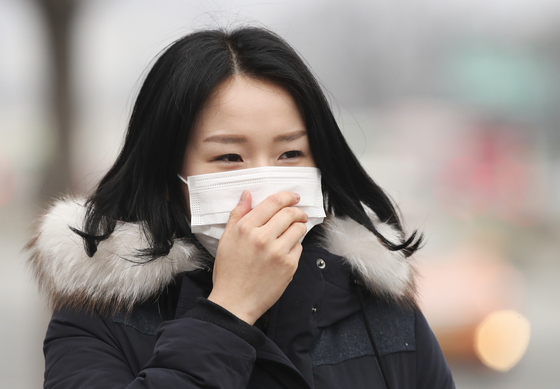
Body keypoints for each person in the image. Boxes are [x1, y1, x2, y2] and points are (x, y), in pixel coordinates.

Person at [27, 26, 455, 388]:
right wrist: (228, 312)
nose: (267, 183)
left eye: (290, 154)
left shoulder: (385, 315)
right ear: (167, 177)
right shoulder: (97, 317)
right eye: (229, 157)